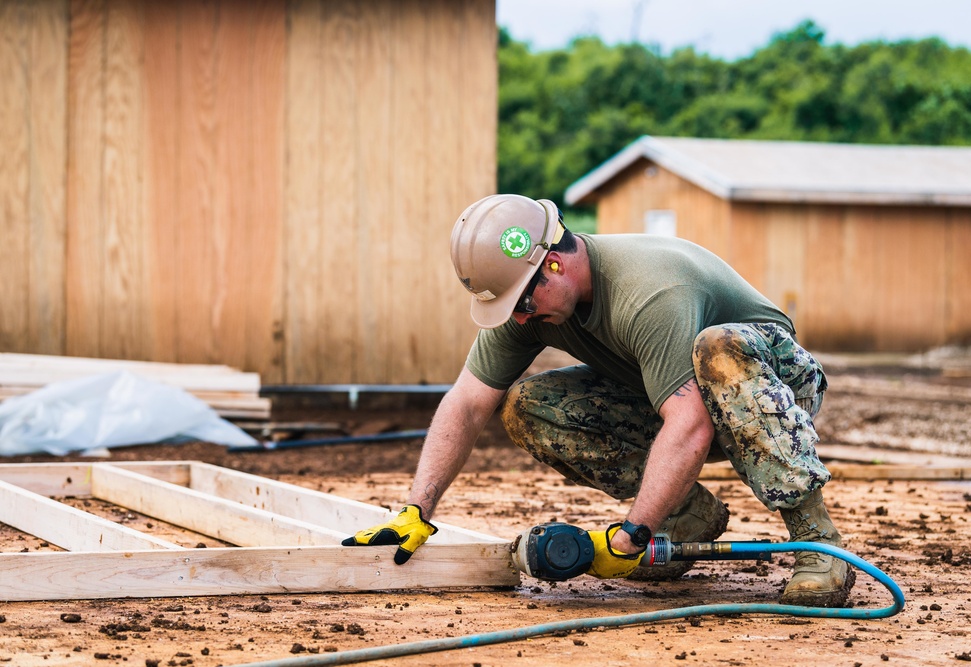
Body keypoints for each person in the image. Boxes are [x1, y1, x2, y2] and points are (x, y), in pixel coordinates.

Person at [343, 194, 855, 607]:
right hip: (675, 397)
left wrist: (629, 535)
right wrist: (414, 511)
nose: (519, 318)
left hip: (770, 384)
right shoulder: (529, 306)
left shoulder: (651, 291)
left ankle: (819, 545)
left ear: (555, 265)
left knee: (716, 348)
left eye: (523, 302)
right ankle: (683, 518)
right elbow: (467, 403)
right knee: (526, 405)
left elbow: (692, 424)